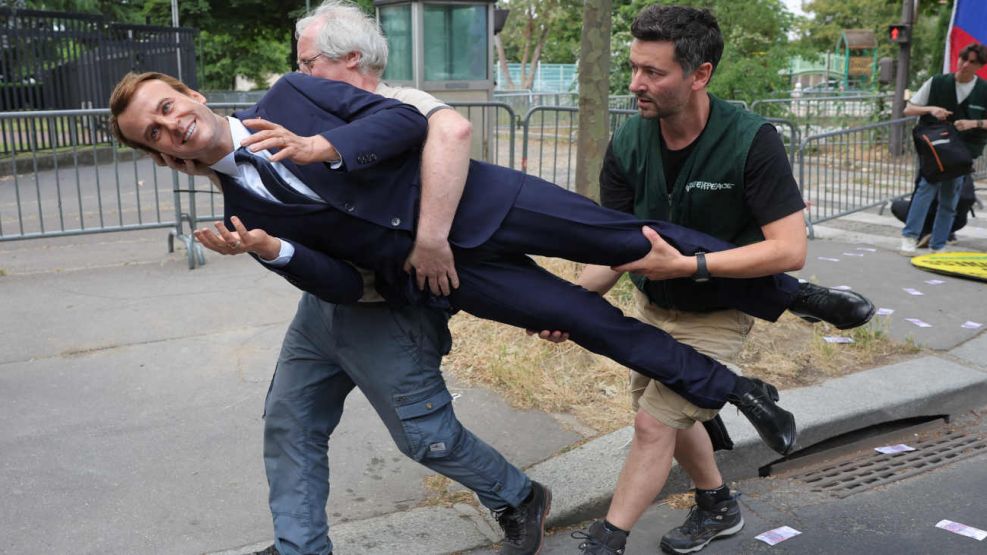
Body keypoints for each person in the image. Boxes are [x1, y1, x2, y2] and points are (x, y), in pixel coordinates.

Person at [109, 62, 875, 458]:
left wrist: (325, 146)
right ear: (156, 152)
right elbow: (343, 282)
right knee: (586, 320)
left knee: (635, 241)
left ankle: (792, 289)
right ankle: (741, 391)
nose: (172, 126)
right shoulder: (240, 217)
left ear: (188, 94)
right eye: (155, 132)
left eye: (168, 107)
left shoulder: (296, 94)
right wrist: (271, 251)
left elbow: (399, 121)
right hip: (451, 274)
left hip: (489, 202)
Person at [151, 3, 549, 554]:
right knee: (291, 424)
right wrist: (267, 242)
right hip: (327, 304)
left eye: (308, 63)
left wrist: (527, 298)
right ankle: (301, 546)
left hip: (391, 305)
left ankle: (518, 496)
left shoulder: (402, 105)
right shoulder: (290, 114)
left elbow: (455, 150)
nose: (300, 76)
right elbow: (284, 204)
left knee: (425, 438)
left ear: (350, 58)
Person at [544, 6, 873, 554]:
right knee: (670, 415)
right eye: (634, 68)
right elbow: (617, 246)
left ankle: (607, 540)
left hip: (721, 310)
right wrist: (571, 304)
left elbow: (789, 249)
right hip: (654, 307)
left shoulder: (751, 140)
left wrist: (690, 266)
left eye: (654, 73)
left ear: (700, 74)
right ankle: (718, 504)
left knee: (654, 425)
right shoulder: (628, 143)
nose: (635, 84)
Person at [900, 42, 987, 255]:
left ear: (980, 66)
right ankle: (910, 236)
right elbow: (908, 109)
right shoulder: (938, 82)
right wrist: (931, 109)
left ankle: (938, 244)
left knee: (950, 196)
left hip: (963, 150)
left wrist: (973, 123)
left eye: (971, 62)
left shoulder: (984, 90)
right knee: (926, 188)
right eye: (962, 59)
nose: (964, 65)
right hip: (935, 147)